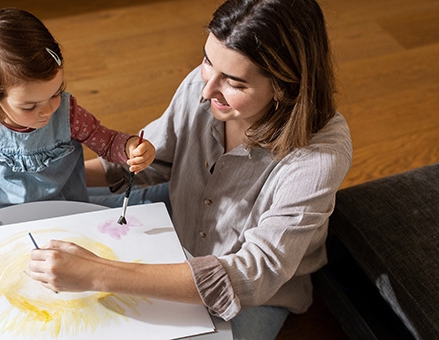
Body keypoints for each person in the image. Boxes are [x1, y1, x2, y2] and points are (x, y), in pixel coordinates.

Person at [28, 0, 352, 338]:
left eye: (235, 83)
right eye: (207, 61)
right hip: (176, 225)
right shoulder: (205, 89)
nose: (208, 89)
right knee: (60, 212)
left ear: (286, 85)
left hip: (255, 296)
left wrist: (98, 273)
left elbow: (253, 273)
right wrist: (44, 176)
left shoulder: (319, 157)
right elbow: (152, 162)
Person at [0, 8, 155, 240]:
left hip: (66, 214)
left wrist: (131, 147)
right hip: (1, 221)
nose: (50, 109)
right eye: (30, 106)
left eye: (55, 93)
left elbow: (108, 141)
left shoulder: (68, 114)